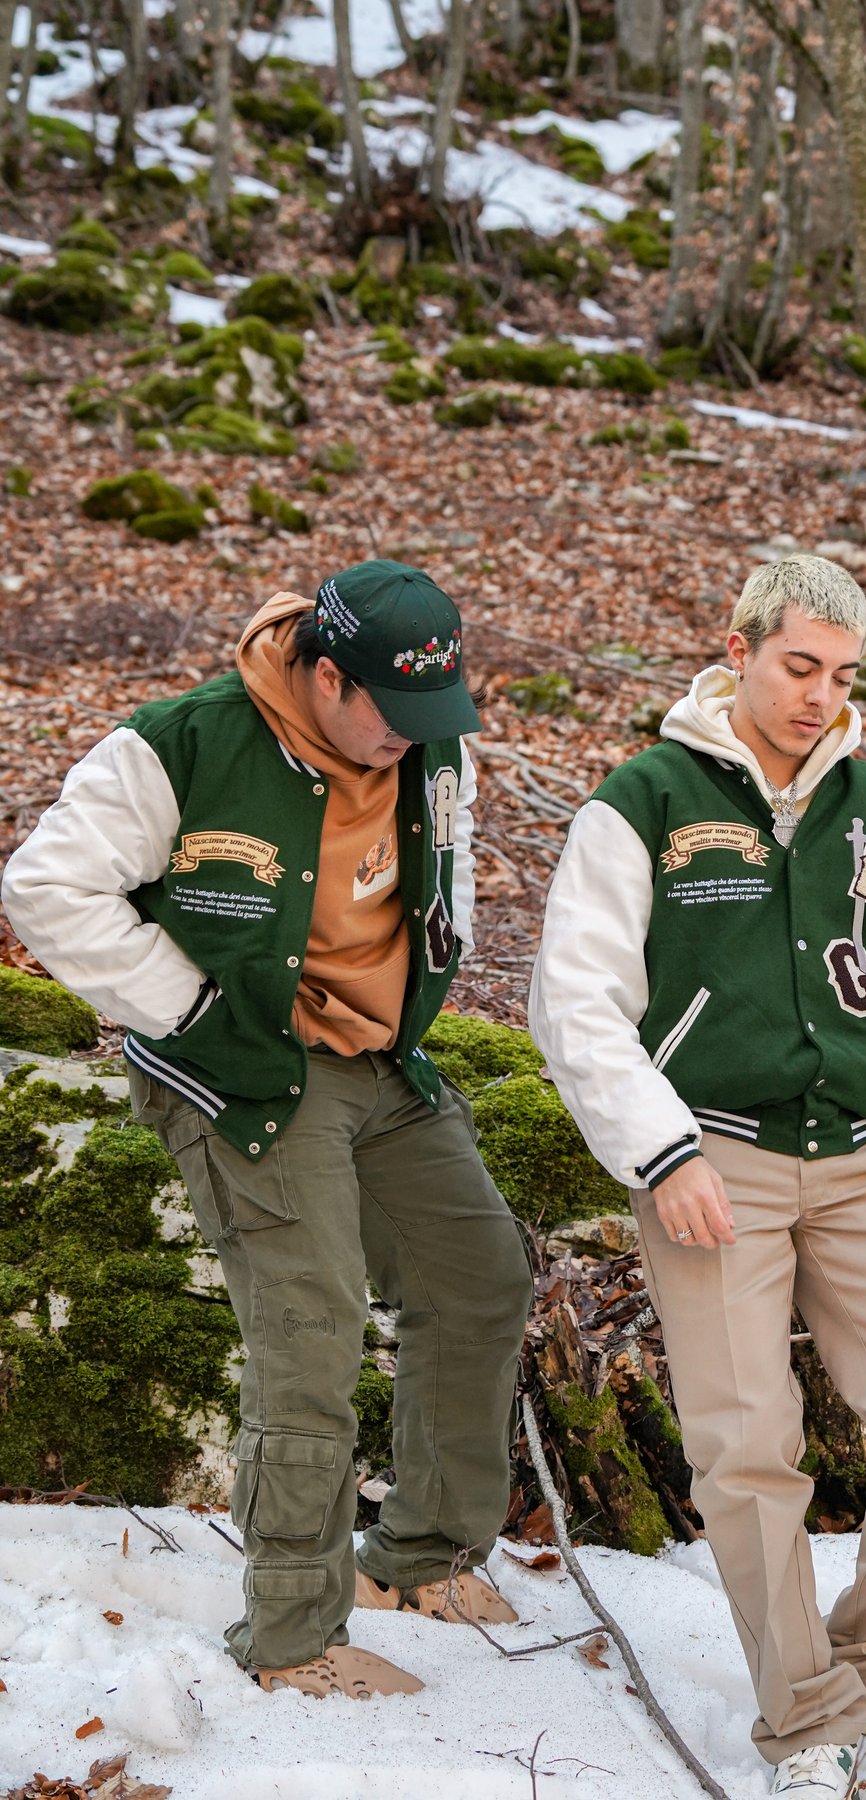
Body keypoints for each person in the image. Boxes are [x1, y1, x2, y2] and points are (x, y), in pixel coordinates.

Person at [2, 559, 533, 1700]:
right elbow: (45, 888)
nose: (416, 738)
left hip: (380, 1058)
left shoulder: (427, 740)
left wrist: (427, 969)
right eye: (394, 714)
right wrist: (192, 1012)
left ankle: (421, 1559)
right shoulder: (182, 745)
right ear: (326, 675)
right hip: (240, 1068)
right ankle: (293, 1640)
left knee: (482, 1274)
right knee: (313, 1321)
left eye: (434, 717)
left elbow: (443, 869)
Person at [529, 557, 866, 1797]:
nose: (819, 696)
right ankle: (805, 1719)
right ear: (736, 644)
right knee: (747, 1448)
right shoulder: (641, 800)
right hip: (711, 1156)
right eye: (799, 665)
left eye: (843, 676)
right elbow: (577, 1000)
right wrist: (662, 1149)